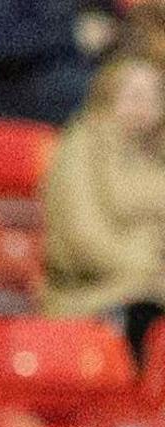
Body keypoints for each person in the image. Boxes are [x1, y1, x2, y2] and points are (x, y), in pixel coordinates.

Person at [45, 53, 165, 353]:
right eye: (136, 94)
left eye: (155, 94)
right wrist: (149, 267)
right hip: (93, 294)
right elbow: (82, 238)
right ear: (108, 95)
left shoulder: (156, 151)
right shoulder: (81, 147)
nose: (147, 104)